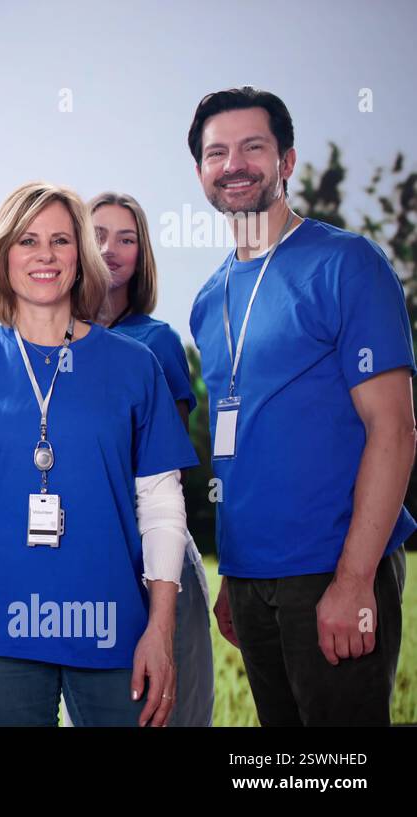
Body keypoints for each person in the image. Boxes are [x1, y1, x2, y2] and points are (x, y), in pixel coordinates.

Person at [0, 182, 198, 727]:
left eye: (61, 241)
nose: (44, 255)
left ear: (81, 257)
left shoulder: (136, 366)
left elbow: (162, 507)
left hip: (116, 631)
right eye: (27, 240)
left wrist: (160, 631)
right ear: (3, 256)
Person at [187, 87, 413, 726]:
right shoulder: (208, 300)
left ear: (286, 160)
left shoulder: (348, 264)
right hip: (252, 579)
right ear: (201, 172)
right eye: (216, 152)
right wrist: (237, 572)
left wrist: (354, 580)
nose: (234, 163)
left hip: (334, 570)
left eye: (253, 147)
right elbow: (243, 439)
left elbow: (393, 429)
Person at [90, 191, 215, 727]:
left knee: (170, 711)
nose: (112, 250)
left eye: (128, 238)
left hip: (151, 552)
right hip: (85, 556)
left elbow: (167, 465)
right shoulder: (52, 338)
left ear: (142, 256)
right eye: (98, 236)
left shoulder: (156, 341)